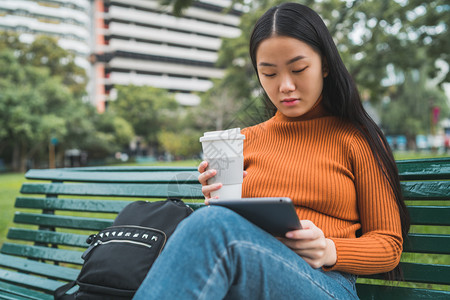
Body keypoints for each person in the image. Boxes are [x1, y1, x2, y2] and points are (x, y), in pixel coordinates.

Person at [134, 2, 410, 299]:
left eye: (298, 69)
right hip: (248, 276)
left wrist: (329, 249)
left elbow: (388, 245)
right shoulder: (243, 140)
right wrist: (218, 199)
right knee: (212, 224)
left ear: (325, 65)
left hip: (326, 284)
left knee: (213, 228)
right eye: (269, 74)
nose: (285, 86)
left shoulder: (355, 139)